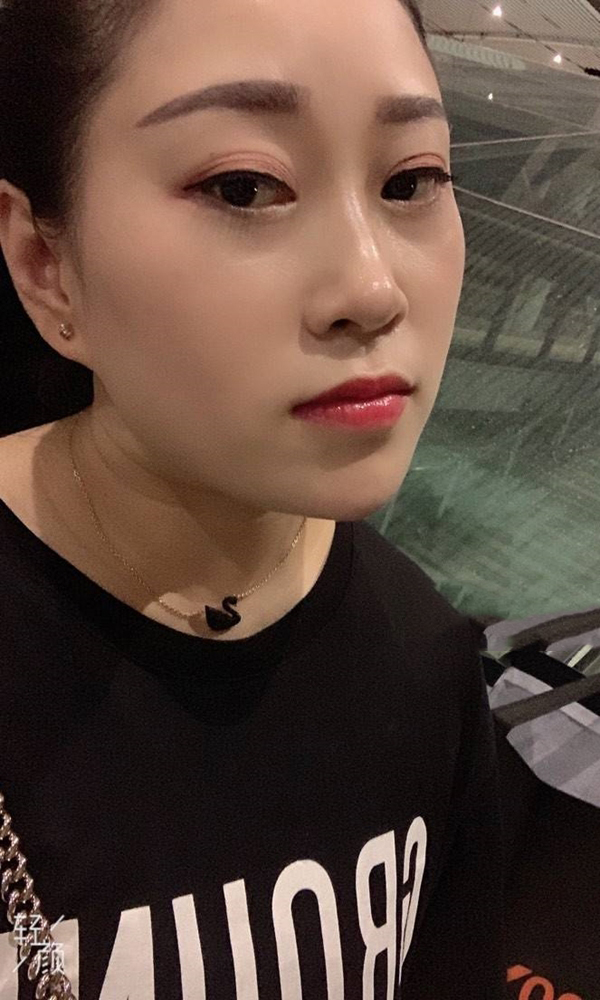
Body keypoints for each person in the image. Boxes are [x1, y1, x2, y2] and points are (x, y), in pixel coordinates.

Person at [0, 0, 505, 996]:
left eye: (411, 180)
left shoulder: (424, 662)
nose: (372, 289)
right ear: (45, 265)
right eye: (244, 186)